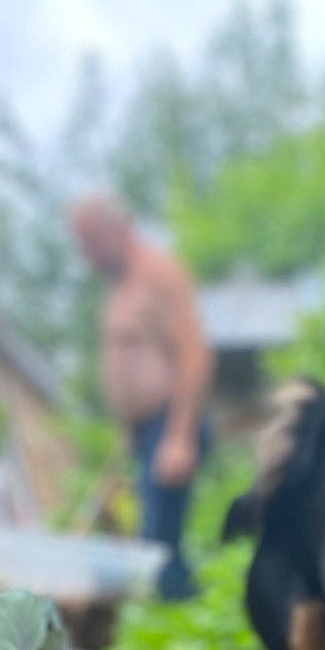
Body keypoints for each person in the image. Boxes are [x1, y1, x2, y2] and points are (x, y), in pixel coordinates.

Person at [70, 193, 214, 601]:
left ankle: (183, 632)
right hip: (146, 432)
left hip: (170, 426)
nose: (87, 256)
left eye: (89, 243)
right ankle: (181, 626)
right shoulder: (119, 285)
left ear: (114, 230)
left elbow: (192, 351)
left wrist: (179, 436)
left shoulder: (159, 272)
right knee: (154, 543)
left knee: (157, 549)